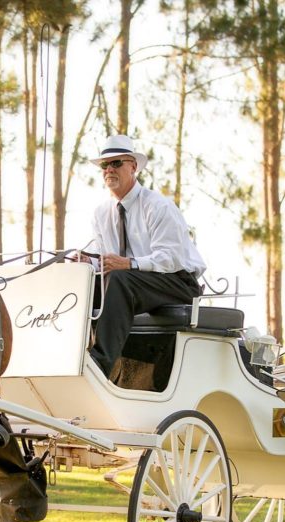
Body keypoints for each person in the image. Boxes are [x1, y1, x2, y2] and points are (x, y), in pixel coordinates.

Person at [82, 134, 206, 376]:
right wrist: (88, 260)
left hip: (177, 281)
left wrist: (129, 264)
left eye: (116, 163)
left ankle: (98, 365)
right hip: (137, 283)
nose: (109, 170)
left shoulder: (158, 206)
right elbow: (103, 256)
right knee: (82, 284)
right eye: (105, 165)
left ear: (133, 167)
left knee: (120, 280)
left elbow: (171, 258)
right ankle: (74, 355)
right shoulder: (101, 213)